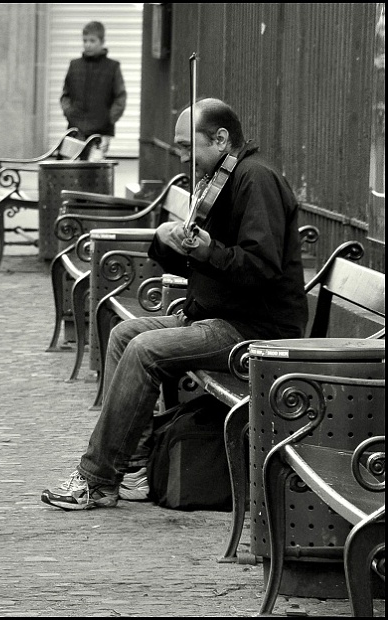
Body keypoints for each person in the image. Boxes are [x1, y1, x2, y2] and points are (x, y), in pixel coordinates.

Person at [41, 98, 309, 510]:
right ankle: (133, 469)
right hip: (217, 315)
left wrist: (207, 251)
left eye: (187, 147)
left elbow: (260, 267)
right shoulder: (219, 181)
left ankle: (96, 479)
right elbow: (198, 262)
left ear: (221, 139)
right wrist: (166, 243)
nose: (182, 158)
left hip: (254, 329)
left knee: (146, 349)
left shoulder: (256, 180)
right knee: (123, 334)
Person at [60, 21, 127, 161]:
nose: (88, 45)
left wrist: (109, 120)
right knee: (68, 171)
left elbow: (120, 97)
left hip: (100, 133)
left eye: (92, 41)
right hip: (74, 130)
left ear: (102, 42)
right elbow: (65, 95)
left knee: (94, 174)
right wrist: (69, 113)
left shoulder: (112, 67)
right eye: (85, 41)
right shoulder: (75, 65)